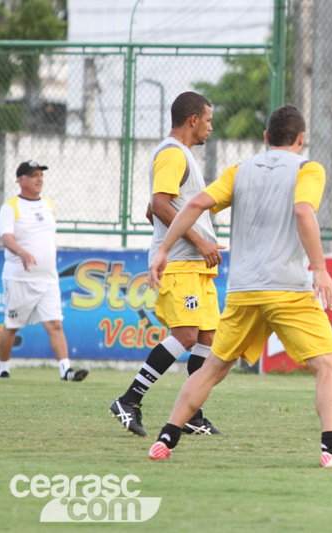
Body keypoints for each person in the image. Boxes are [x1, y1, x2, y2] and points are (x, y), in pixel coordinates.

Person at [146, 105, 332, 469]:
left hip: (244, 290)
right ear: (301, 138)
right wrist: (321, 269)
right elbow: (303, 211)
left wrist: (164, 249)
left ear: (266, 137)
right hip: (287, 288)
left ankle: (166, 439)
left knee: (213, 367)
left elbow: (197, 203)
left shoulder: (240, 170)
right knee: (329, 365)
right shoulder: (308, 168)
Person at [109, 91, 225, 437]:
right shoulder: (172, 154)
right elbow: (160, 205)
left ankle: (192, 415)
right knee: (186, 335)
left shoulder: (181, 155)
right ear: (193, 120)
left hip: (195, 264)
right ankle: (129, 400)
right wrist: (197, 241)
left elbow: (153, 210)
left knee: (207, 336)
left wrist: (174, 235)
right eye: (208, 120)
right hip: (182, 262)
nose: (210, 127)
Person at [0, 161, 88, 382]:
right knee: (12, 326)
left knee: (55, 324)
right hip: (19, 278)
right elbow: (6, 237)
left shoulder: (48, 205)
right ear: (20, 181)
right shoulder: (11, 207)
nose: (39, 179)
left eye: (40, 175)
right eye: (33, 175)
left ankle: (66, 371)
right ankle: (2, 368)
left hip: (48, 278)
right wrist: (22, 253)